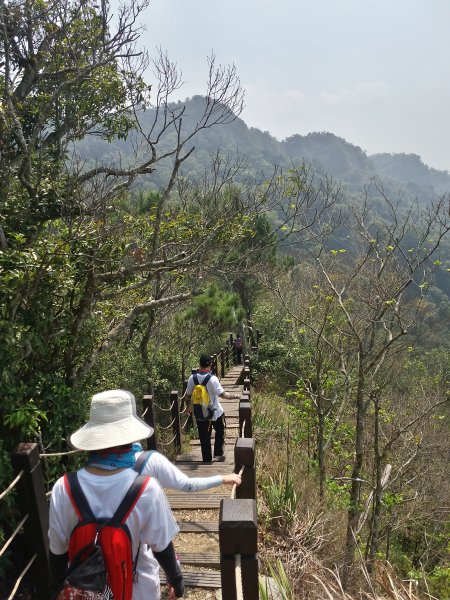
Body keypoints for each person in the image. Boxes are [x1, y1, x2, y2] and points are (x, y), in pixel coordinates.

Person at [48, 389, 184, 600]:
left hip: (85, 593)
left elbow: (57, 553)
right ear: (130, 437)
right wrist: (177, 581)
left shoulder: (63, 488)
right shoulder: (146, 488)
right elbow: (162, 547)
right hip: (140, 591)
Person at [186, 354, 240, 463]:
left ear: (199, 364)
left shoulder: (192, 378)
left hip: (200, 413)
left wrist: (188, 408)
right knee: (220, 430)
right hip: (215, 412)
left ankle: (206, 459)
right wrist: (235, 396)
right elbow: (222, 394)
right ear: (210, 365)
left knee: (204, 436)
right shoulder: (213, 379)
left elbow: (188, 395)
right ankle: (218, 454)